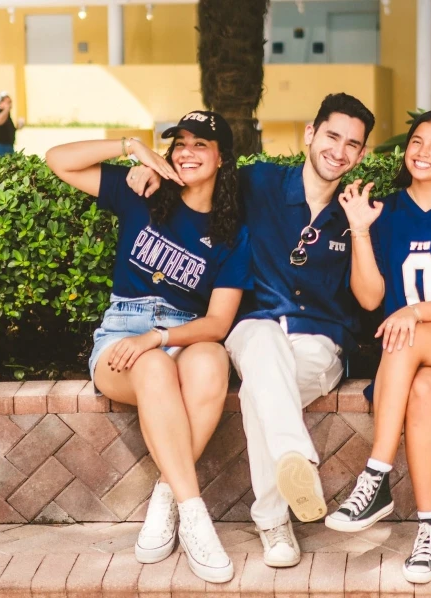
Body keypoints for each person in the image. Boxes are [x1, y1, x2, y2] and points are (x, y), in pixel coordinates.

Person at [126, 94, 380, 569]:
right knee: (262, 343)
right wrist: (151, 168)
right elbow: (200, 174)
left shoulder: (358, 209)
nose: (339, 151)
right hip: (253, 328)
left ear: (361, 154)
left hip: (318, 343)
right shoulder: (259, 182)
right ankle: (288, 473)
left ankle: (273, 516)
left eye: (352, 144)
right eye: (331, 136)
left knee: (261, 392)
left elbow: (368, 300)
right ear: (310, 134)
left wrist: (362, 231)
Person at [44, 111, 251, 583]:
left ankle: (166, 494)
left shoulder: (233, 231)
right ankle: (196, 517)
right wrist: (131, 147)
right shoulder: (145, 193)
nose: (187, 152)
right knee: (154, 368)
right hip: (122, 331)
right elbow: (58, 160)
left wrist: (157, 337)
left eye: (201, 145)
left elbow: (217, 323)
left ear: (222, 158)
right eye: (180, 144)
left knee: (212, 360)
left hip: (180, 331)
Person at [323, 111, 431, 585]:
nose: (422, 152)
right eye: (416, 141)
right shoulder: (387, 214)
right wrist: (359, 230)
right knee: (421, 389)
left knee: (409, 333)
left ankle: (375, 474)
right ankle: (429, 529)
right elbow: (370, 298)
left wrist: (414, 313)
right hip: (406, 363)